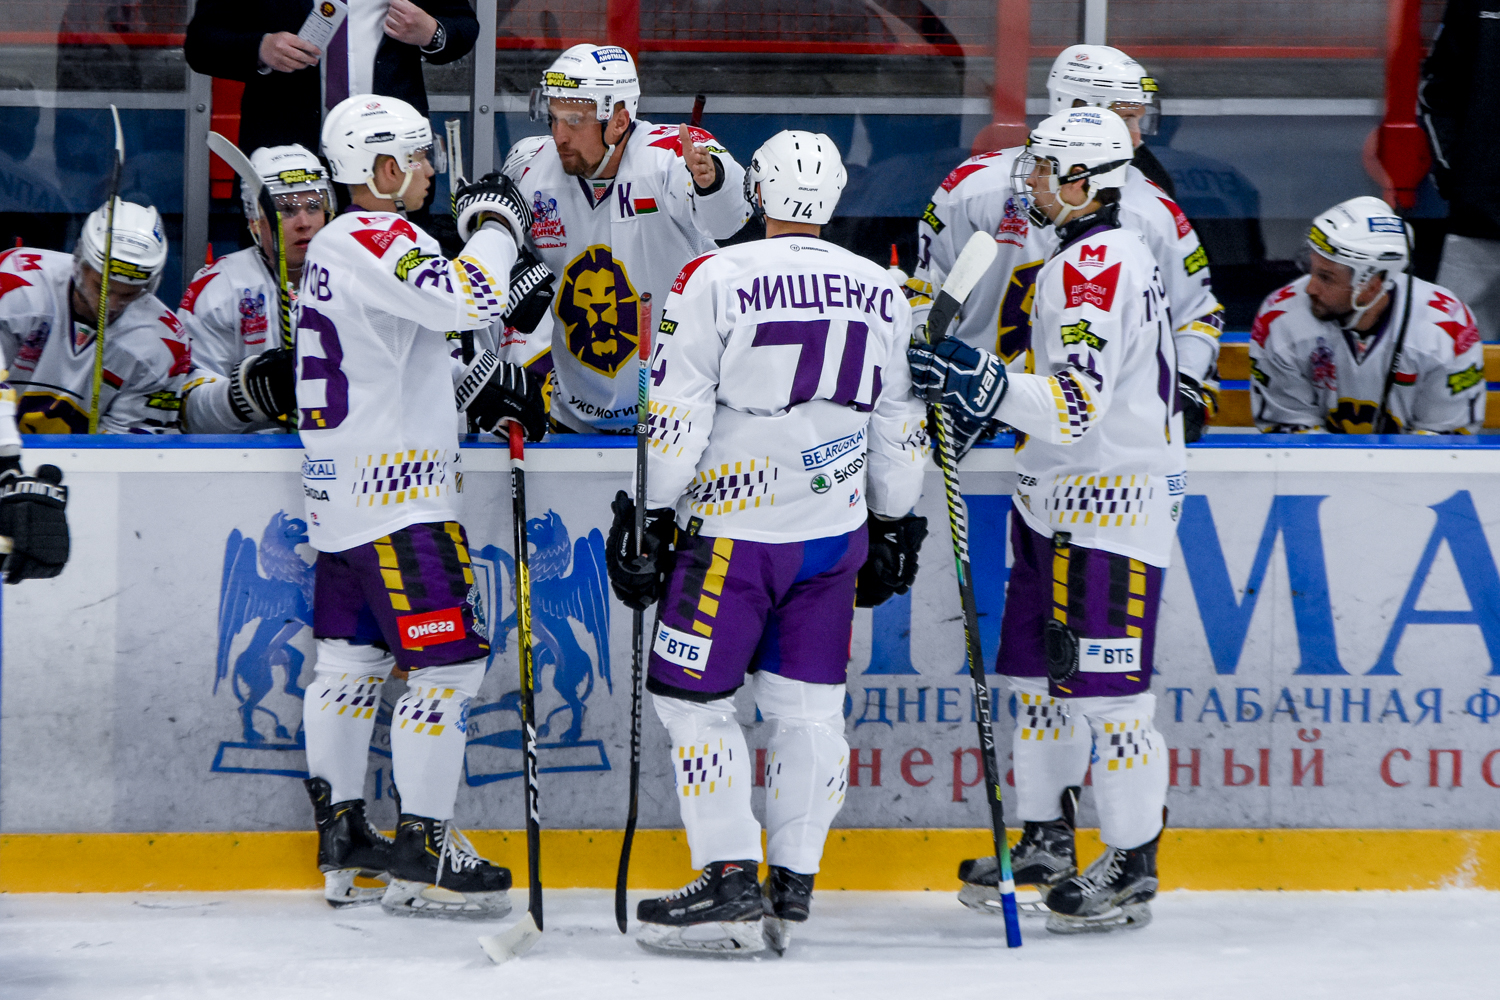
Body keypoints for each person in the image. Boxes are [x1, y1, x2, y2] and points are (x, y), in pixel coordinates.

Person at [605, 131, 929, 956]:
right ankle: (792, 880)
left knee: (692, 702)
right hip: (832, 538)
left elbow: (675, 417)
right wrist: (894, 518)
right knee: (808, 711)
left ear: (757, 193)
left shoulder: (712, 276)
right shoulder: (885, 289)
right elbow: (900, 424)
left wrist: (651, 510)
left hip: (733, 539)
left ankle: (728, 877)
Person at [909, 108, 1174, 935]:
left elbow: (1076, 405)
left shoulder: (1097, 266)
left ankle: (1132, 863)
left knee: (1112, 702)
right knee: (1036, 683)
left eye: (1046, 169)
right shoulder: (1080, 256)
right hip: (1050, 500)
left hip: (1108, 508)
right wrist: (977, 378)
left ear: (1087, 182)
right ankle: (1046, 840)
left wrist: (979, 380)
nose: (1029, 182)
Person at [295, 93, 546, 917]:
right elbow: (467, 296)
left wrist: (476, 380)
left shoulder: (334, 246)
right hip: (399, 501)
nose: (430, 168)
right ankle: (426, 846)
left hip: (341, 500)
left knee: (350, 666)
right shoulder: (376, 234)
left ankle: (344, 837)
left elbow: (403, 348)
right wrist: (496, 226)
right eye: (417, 155)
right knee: (448, 668)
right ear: (379, 169)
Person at [909, 43, 1223, 446]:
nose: (1137, 137)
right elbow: (926, 292)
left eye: (1140, 119)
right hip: (975, 424)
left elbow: (1195, 312)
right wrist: (942, 381)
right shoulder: (974, 188)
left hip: (1091, 432)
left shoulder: (1154, 212)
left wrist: (1186, 383)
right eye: (1126, 118)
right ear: (1077, 107)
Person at [507, 43, 751, 433]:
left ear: (619, 121)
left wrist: (712, 181)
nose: (559, 136)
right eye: (553, 118)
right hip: (573, 415)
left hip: (674, 421)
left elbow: (727, 221)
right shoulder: (530, 168)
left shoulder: (670, 156)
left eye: (574, 120)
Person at [0, 201, 293, 435]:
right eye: (102, 288)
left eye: (128, 294)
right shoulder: (14, 285)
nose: (111, 305)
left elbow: (123, 450)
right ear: (80, 262)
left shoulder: (163, 342)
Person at [1250, 196, 1485, 434]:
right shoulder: (1279, 317)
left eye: (1326, 277)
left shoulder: (1447, 326)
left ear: (1371, 285)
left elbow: (1446, 442)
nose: (1310, 288)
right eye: (1312, 270)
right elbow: (1288, 438)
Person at [184, 0, 478, 158]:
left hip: (391, 157)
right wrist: (261, 48)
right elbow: (200, 44)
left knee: (394, 255)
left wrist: (431, 32)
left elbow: (463, 24)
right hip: (285, 153)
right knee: (281, 256)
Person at [178, 144, 330, 388]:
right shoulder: (221, 287)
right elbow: (188, 394)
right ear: (255, 221)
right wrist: (246, 396)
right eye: (286, 210)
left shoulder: (351, 277)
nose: (304, 223)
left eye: (313, 207)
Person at [1421, 0, 1500, 342]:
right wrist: (1460, 177)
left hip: (1475, 206)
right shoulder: (1476, 2)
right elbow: (1438, 92)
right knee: (1449, 347)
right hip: (1476, 220)